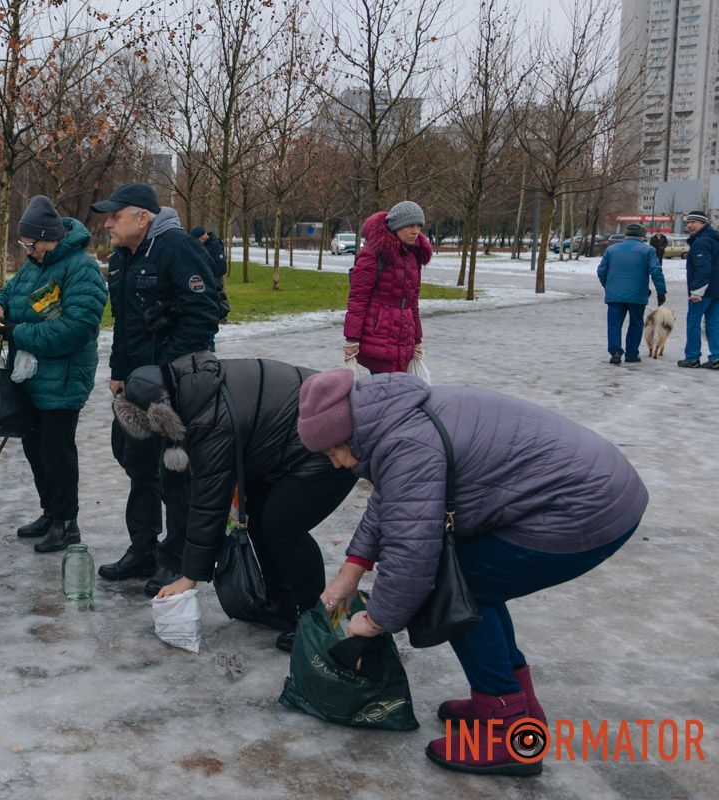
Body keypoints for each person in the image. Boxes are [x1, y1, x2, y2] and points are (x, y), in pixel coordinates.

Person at [299, 370, 646, 776]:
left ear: (346, 434)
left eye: (331, 453)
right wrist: (353, 569)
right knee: (475, 582)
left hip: (583, 509)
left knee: (456, 591)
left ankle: (508, 733)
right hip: (598, 488)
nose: (336, 464)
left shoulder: (405, 443)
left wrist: (376, 620)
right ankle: (517, 706)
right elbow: (395, 498)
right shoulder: (392, 417)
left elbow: (413, 554)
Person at [123, 352, 357, 651]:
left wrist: (190, 576)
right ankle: (282, 603)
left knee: (283, 526)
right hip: (287, 441)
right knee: (260, 516)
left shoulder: (209, 420)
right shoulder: (192, 383)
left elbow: (209, 502)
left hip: (331, 443)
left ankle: (317, 619)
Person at [90, 182, 221, 596]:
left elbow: (203, 318)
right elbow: (124, 324)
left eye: (116, 215)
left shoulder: (178, 249)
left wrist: (160, 372)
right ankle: (142, 548)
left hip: (174, 387)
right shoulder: (121, 259)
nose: (108, 222)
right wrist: (118, 371)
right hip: (134, 386)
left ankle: (176, 558)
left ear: (142, 217)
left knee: (174, 474)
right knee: (138, 467)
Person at [0, 196, 108, 553]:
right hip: (32, 378)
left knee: (57, 452)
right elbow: (9, 292)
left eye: (30, 244)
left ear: (48, 238)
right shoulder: (35, 265)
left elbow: (76, 329)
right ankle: (50, 512)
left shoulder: (81, 268)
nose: (27, 250)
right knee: (36, 449)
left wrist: (17, 333)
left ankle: (67, 524)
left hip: (64, 379)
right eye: (24, 244)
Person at [343, 200, 432, 373]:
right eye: (410, 226)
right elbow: (358, 299)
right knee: (382, 391)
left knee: (400, 393)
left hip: (404, 336)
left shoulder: (414, 255)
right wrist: (352, 339)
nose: (416, 231)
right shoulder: (373, 254)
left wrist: (417, 339)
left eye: (419, 226)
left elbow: (412, 302)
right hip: (378, 336)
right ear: (397, 226)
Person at [597, 223, 665, 364]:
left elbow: (601, 271)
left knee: (614, 324)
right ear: (642, 236)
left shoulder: (611, 250)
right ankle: (632, 354)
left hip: (615, 295)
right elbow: (656, 271)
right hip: (637, 294)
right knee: (636, 323)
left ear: (626, 235)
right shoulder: (648, 250)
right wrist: (661, 291)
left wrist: (608, 286)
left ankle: (615, 352)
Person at [678, 211, 719, 369]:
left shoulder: (702, 242)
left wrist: (697, 292)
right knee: (714, 323)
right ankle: (716, 357)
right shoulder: (715, 239)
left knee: (693, 322)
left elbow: (703, 269)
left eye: (693, 222)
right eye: (688, 222)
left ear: (703, 223)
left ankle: (692, 357)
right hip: (717, 291)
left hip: (703, 292)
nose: (689, 225)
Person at [189, 225, 231, 320]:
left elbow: (221, 268)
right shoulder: (199, 246)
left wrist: (205, 271)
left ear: (203, 237)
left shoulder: (215, 246)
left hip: (212, 284)